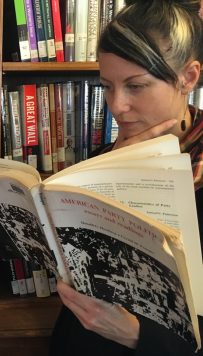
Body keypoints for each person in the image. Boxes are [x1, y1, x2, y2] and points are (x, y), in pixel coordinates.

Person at [50, 0, 203, 355]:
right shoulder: (104, 159)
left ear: (189, 77)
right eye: (107, 86)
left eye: (136, 86)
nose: (117, 106)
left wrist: (136, 335)